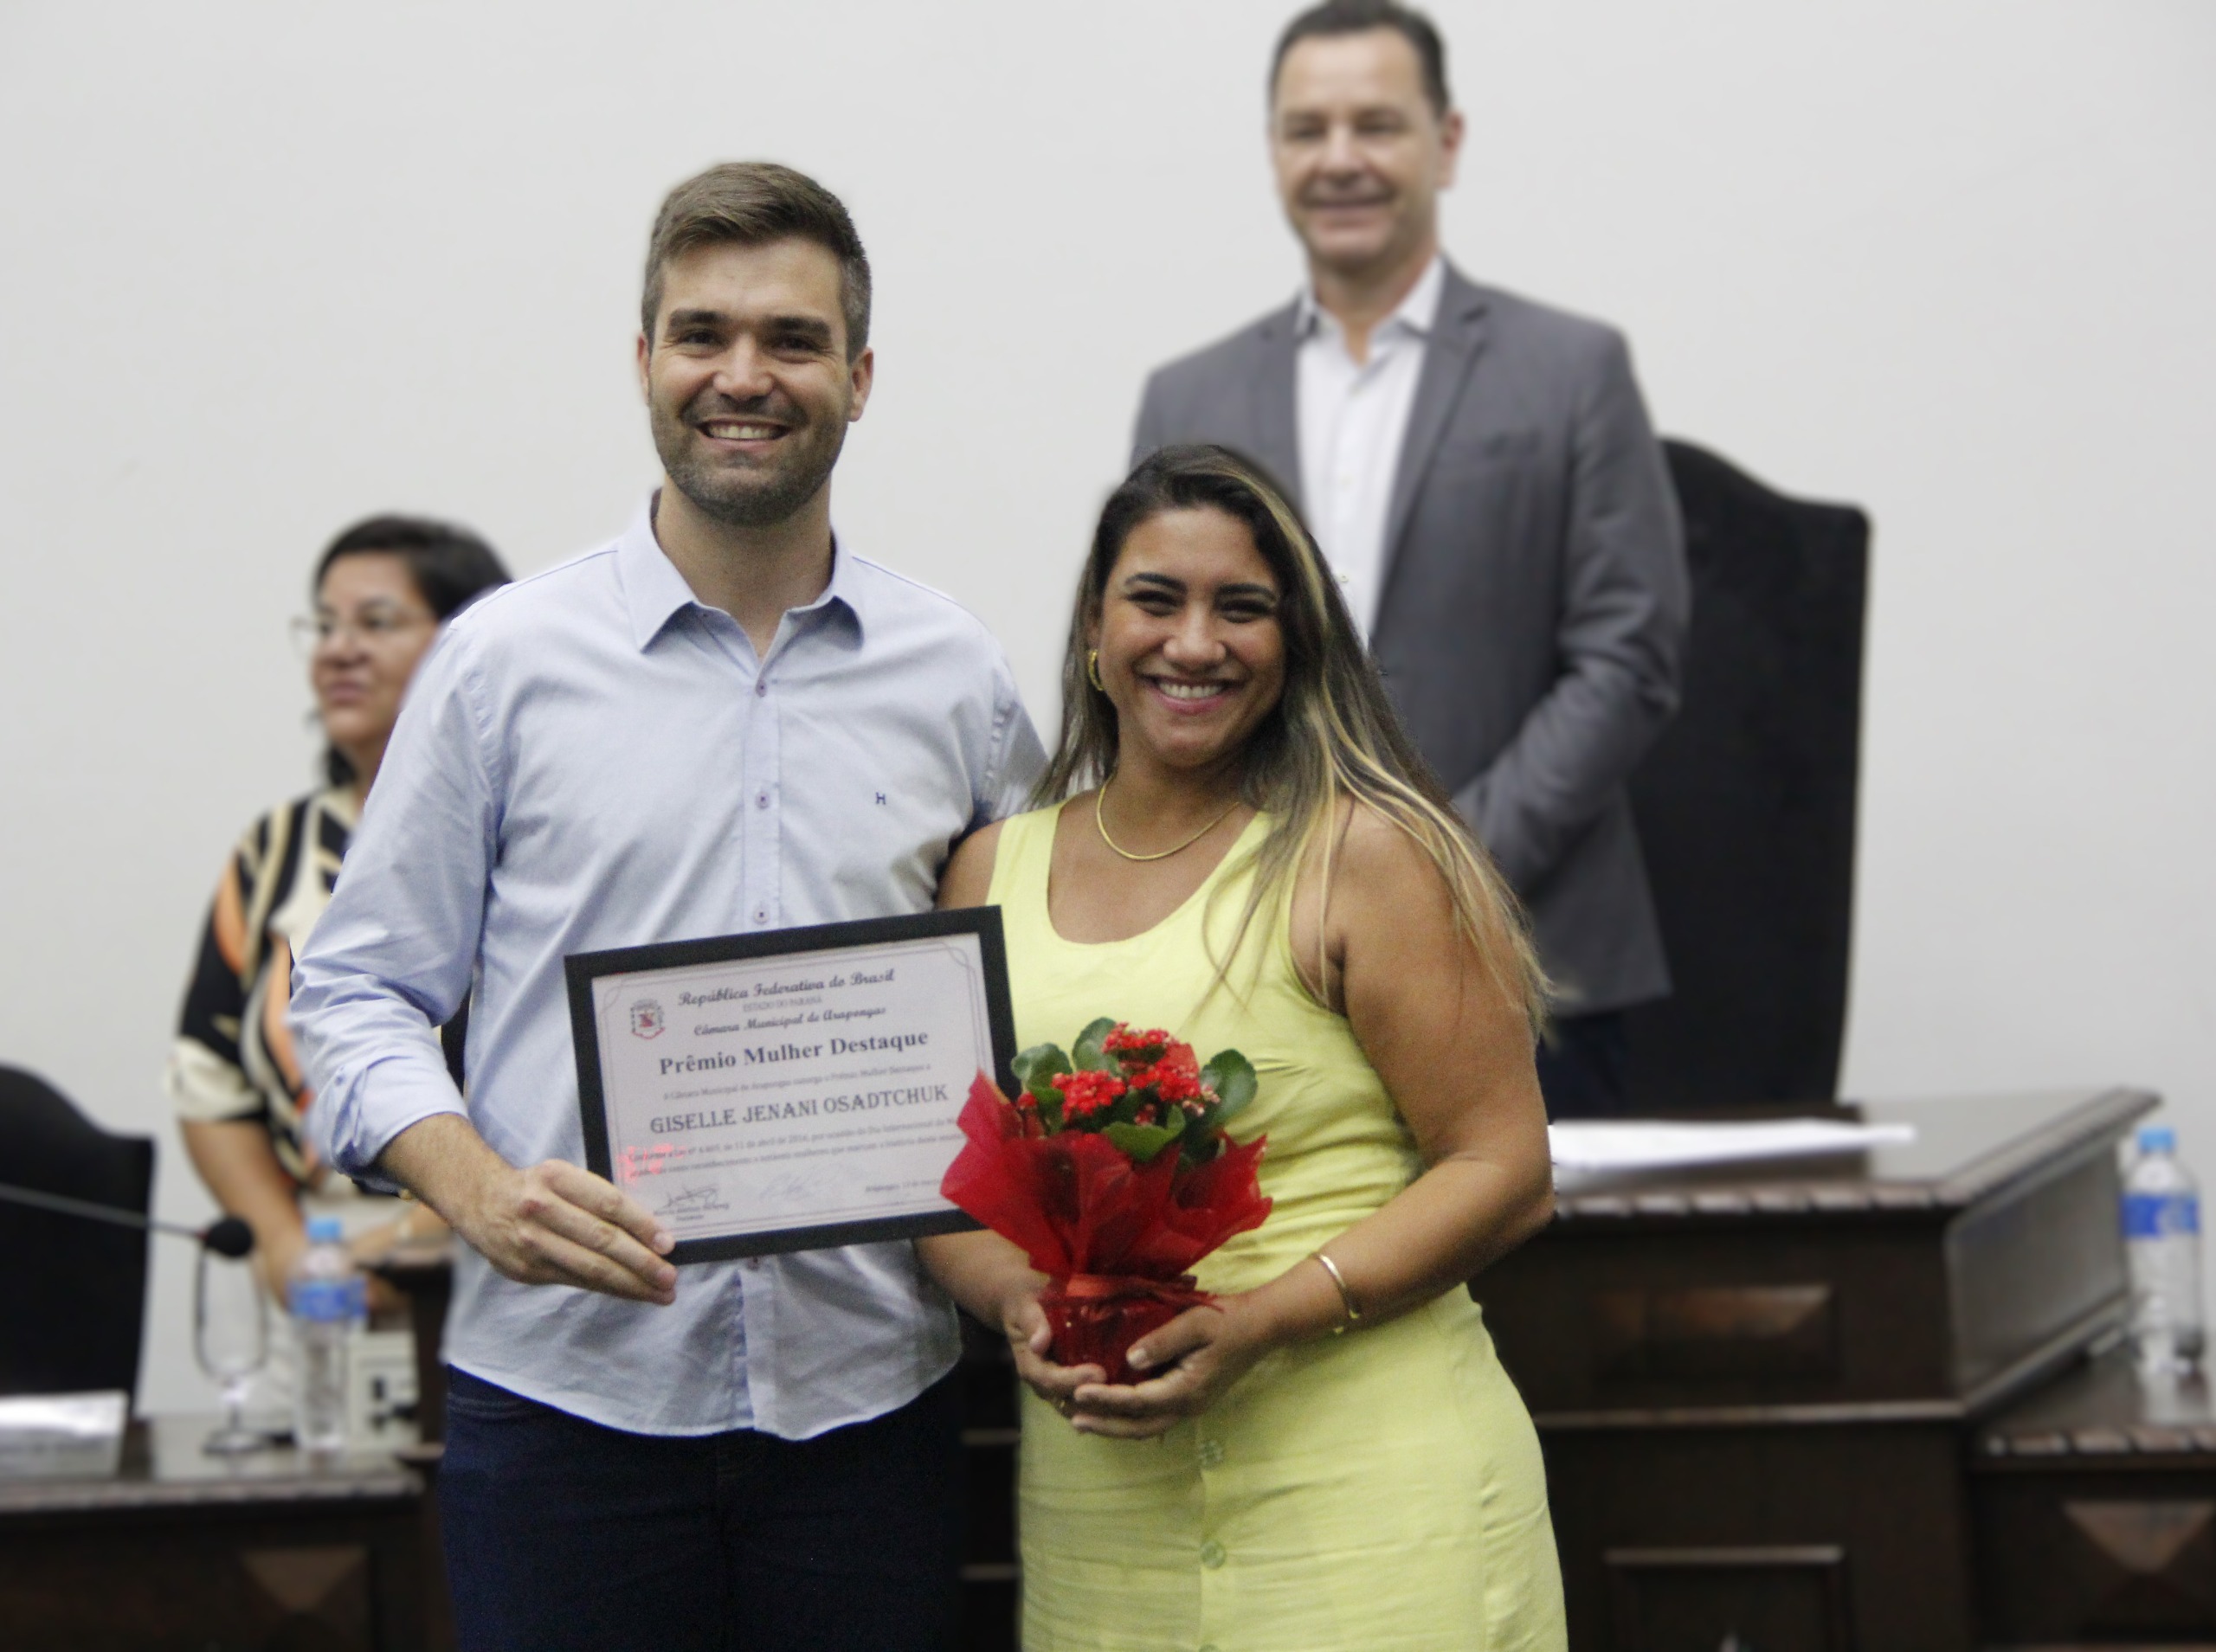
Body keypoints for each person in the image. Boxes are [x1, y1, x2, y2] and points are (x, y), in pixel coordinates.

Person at [291, 162, 1044, 1651]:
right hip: (565, 1411)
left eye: (793, 339)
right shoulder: (503, 664)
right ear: (645, 362)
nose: (742, 376)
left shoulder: (957, 677)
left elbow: (1028, 988)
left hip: (868, 1416)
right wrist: (476, 1188)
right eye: (703, 334)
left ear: (860, 378)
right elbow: (354, 989)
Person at [922, 445, 1565, 1649]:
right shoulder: (985, 873)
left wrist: (1263, 1318)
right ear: (1094, 627)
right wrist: (1019, 1303)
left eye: (1243, 608)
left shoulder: (1366, 854)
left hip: (1370, 1511)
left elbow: (1504, 1167)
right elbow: (940, 1182)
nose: (1195, 642)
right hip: (1103, 1522)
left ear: (1295, 639)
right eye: (1155, 599)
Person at [1131, 0, 1689, 1115]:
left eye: (1376, 125)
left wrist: (1440, 867)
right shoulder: (1187, 399)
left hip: (1530, 965)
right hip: (1260, 972)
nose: (1339, 159)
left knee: (1526, 1241)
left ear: (1447, 141)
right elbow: (1159, 667)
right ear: (1274, 151)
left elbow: (1629, 657)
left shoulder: (1572, 370)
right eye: (1307, 129)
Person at [168, 516, 509, 1305]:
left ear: (468, 643)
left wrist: (411, 1241)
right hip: (319, 1299)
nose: (338, 650)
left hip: (500, 1277)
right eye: (324, 625)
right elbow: (209, 1079)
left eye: (376, 622)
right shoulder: (274, 850)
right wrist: (291, 1251)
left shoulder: (536, 846)